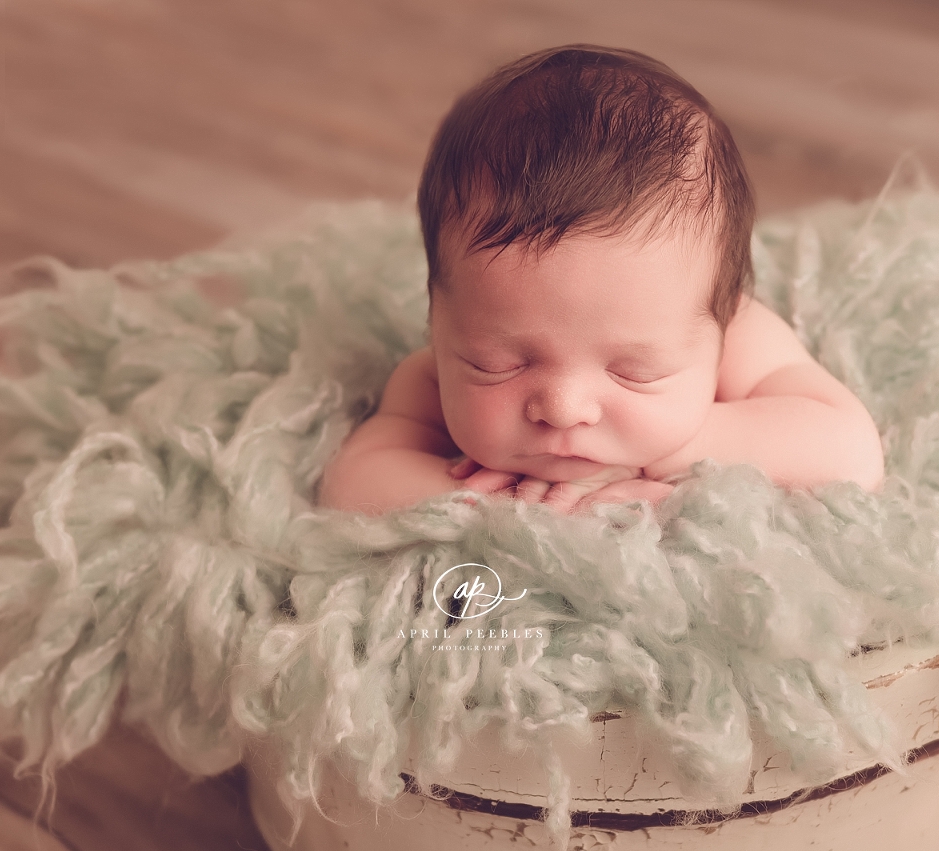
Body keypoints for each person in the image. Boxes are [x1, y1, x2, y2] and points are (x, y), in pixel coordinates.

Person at [317, 44, 884, 516]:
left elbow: (851, 452)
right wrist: (481, 504)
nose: (563, 409)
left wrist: (674, 449)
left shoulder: (739, 339)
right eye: (499, 365)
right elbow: (352, 484)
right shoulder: (432, 379)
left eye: (635, 373)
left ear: (722, 318)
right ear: (438, 320)